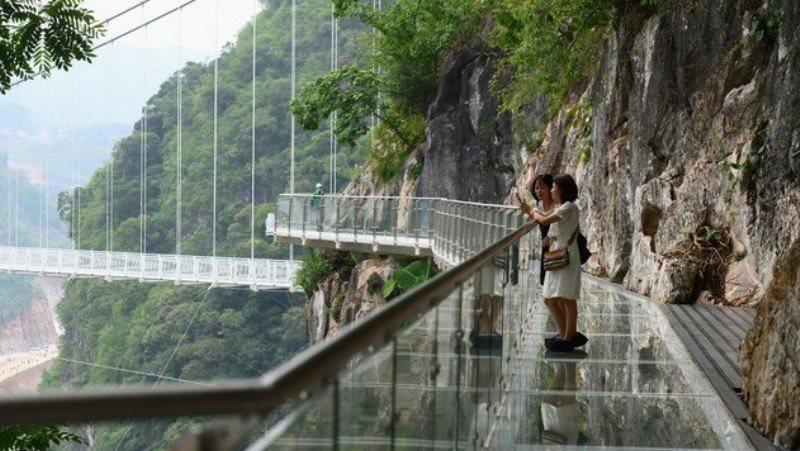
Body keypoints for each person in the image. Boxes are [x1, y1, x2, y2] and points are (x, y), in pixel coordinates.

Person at [531, 174, 586, 352]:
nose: (552, 190)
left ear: (562, 189)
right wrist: (548, 238)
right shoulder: (561, 208)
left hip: (567, 256)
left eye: (553, 187)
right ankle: (564, 334)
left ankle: (568, 337)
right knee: (550, 298)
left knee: (567, 298)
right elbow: (551, 227)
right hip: (557, 256)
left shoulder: (569, 207)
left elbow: (545, 220)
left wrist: (531, 211)